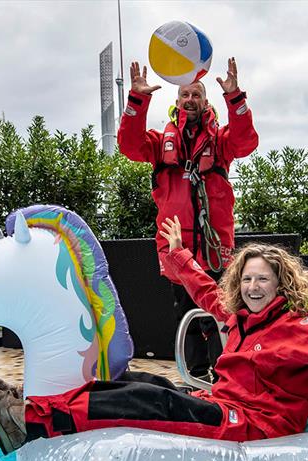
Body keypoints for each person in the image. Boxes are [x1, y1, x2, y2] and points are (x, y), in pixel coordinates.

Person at [0, 216, 308, 455]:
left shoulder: (299, 330)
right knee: (146, 380)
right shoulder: (241, 316)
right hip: (225, 406)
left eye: (262, 280)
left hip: (255, 427)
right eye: (247, 279)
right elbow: (204, 290)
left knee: (156, 402)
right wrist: (178, 255)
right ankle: (32, 402)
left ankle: (32, 421)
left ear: (281, 284)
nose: (253, 287)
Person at [116, 58, 259, 382]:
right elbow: (129, 145)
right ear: (177, 101)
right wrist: (137, 100)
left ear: (205, 101)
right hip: (176, 244)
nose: (190, 100)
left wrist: (235, 97)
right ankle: (197, 378)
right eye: (185, 95)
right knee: (185, 313)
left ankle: (226, 377)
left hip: (213, 244)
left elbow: (246, 141)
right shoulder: (159, 142)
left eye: (196, 94)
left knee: (221, 311)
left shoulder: (220, 142)